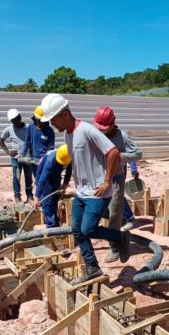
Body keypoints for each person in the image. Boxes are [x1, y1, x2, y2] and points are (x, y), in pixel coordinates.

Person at [40, 94, 131, 284]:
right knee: (77, 230)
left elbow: (113, 151)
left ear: (64, 114)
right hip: (82, 192)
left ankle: (120, 236)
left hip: (98, 192)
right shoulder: (68, 134)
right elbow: (76, 160)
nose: (52, 124)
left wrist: (107, 181)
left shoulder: (88, 130)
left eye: (54, 119)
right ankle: (93, 269)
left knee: (88, 229)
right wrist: (69, 182)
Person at [92, 106, 143, 262]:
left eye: (104, 128)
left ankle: (114, 248)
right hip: (99, 178)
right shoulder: (96, 134)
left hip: (116, 179)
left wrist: (120, 156)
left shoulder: (123, 137)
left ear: (113, 124)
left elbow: (138, 154)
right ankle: (121, 236)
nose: (102, 131)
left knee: (114, 213)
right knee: (99, 211)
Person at [0, 108, 33, 204]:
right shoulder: (9, 129)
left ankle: (30, 196)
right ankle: (17, 197)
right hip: (16, 159)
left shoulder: (28, 128)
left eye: (16, 119)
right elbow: (0, 140)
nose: (15, 122)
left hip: (27, 158)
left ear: (20, 117)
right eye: (12, 121)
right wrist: (8, 152)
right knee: (16, 177)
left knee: (28, 177)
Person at [34, 145, 73, 228]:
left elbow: (69, 172)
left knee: (54, 199)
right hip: (44, 179)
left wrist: (65, 184)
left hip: (56, 177)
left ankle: (54, 221)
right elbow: (43, 179)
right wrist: (37, 196)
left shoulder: (68, 156)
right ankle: (51, 226)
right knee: (47, 202)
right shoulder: (50, 160)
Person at [21, 106, 55, 180]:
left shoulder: (49, 131)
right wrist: (22, 154)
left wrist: (44, 158)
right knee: (37, 180)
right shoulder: (31, 127)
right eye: (39, 120)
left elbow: (51, 148)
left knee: (44, 180)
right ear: (36, 119)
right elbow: (27, 142)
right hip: (34, 161)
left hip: (45, 161)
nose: (41, 122)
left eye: (43, 120)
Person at [120, 160, 139, 231]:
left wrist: (133, 169)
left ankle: (130, 218)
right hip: (103, 169)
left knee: (118, 195)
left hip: (119, 168)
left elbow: (129, 151)